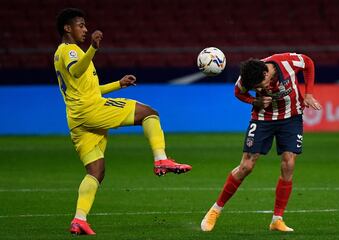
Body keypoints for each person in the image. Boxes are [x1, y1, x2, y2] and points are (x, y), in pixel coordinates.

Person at [54, 8, 192, 235]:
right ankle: (161, 160)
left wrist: (118, 84)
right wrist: (92, 49)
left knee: (95, 171)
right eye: (81, 25)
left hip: (77, 118)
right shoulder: (70, 51)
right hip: (90, 110)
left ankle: (79, 219)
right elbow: (77, 72)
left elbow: (90, 88)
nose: (85, 29)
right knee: (149, 113)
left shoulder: (62, 53)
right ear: (67, 28)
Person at [200, 53, 322, 232]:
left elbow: (309, 62)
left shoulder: (287, 62)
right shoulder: (248, 77)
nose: (259, 89)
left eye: (259, 86)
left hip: (291, 117)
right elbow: (238, 92)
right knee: (246, 166)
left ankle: (277, 219)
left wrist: (309, 93)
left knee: (289, 163)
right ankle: (215, 210)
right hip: (263, 118)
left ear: (266, 74)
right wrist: (254, 101)